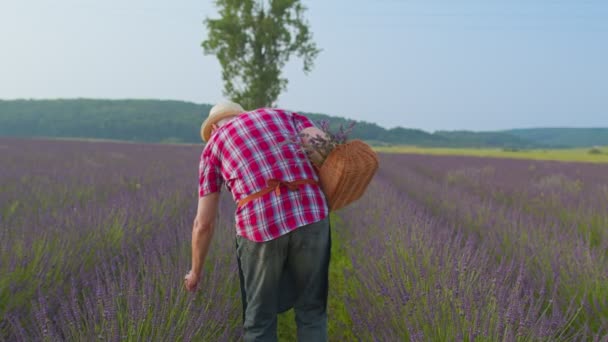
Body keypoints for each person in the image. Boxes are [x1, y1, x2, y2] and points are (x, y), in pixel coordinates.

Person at [183, 101, 331, 341]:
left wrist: (196, 272)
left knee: (259, 320)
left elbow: (204, 223)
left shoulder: (213, 146)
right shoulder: (284, 115)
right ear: (243, 114)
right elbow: (326, 151)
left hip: (260, 225)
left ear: (212, 129)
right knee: (312, 311)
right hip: (311, 213)